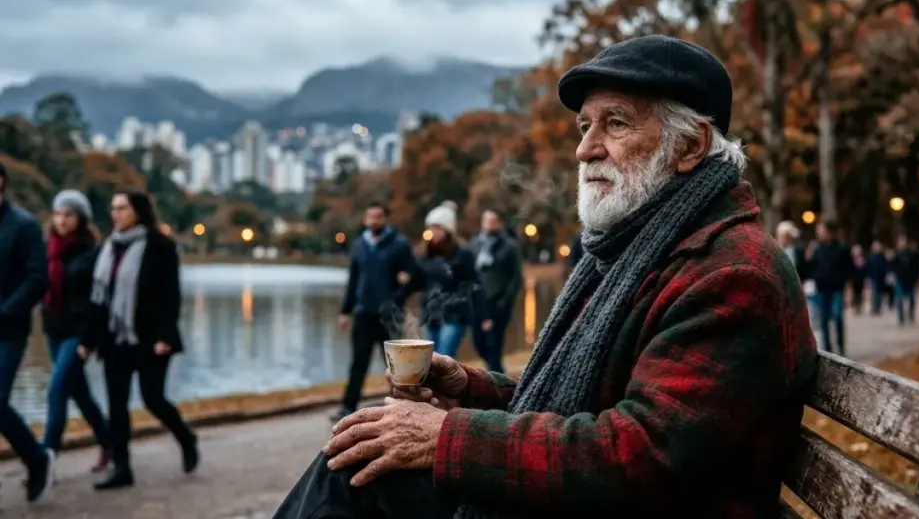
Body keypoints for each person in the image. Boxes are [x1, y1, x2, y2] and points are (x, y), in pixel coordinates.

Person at [274, 35, 817, 518]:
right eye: (585, 126)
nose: (584, 149)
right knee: (361, 456)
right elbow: (582, 404)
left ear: (692, 147)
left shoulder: (733, 274)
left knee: (354, 474)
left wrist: (446, 436)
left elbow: (641, 454)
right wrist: (471, 388)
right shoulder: (643, 252)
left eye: (616, 123)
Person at [80, 190, 198, 490]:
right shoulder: (108, 248)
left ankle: (186, 437)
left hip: (150, 339)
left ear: (138, 211)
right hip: (115, 340)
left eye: (121, 208)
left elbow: (171, 296)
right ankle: (122, 469)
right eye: (113, 208)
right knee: (116, 406)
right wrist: (88, 341)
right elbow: (99, 300)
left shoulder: (160, 246)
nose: (115, 214)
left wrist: (165, 337)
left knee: (153, 399)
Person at [41, 190, 112, 472]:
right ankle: (109, 442)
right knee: (79, 392)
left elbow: (99, 299)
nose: (61, 219)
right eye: (58, 213)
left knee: (56, 389)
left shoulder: (93, 253)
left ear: (81, 219)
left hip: (78, 332)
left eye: (68, 214)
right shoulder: (48, 249)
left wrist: (90, 339)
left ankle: (46, 458)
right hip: (53, 328)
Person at [333, 202, 420, 421]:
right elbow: (353, 280)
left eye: (378, 217)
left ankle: (405, 406)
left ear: (385, 219)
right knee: (358, 362)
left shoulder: (398, 245)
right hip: (363, 312)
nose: (374, 221)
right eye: (370, 217)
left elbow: (415, 277)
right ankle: (347, 406)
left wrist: (397, 297)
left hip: (388, 315)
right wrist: (345, 311)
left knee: (395, 364)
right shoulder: (359, 244)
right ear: (365, 219)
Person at [0, 159, 56, 502]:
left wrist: (5, 311)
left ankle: (37, 459)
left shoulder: (23, 225)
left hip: (8, 328)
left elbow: (38, 280)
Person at [417, 203, 489, 357]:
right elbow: (418, 282)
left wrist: (484, 315)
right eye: (431, 227)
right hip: (431, 314)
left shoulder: (462, 255)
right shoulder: (424, 256)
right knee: (429, 360)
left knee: (444, 355)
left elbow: (475, 283)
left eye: (438, 228)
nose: (433, 232)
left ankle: (451, 380)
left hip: (454, 314)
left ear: (447, 230)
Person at [466, 210, 521, 372]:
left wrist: (506, 301)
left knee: (494, 343)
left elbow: (516, 277)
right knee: (478, 341)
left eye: (492, 220)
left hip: (498, 302)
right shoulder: (475, 244)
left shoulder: (509, 246)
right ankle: (498, 374)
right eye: (486, 220)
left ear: (499, 223)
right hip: (477, 301)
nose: (489, 224)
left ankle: (496, 379)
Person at [805, 220, 853, 356]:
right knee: (824, 319)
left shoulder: (842, 248)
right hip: (821, 290)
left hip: (837, 289)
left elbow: (849, 272)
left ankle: (841, 347)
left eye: (822, 230)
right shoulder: (817, 249)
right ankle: (828, 347)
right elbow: (810, 268)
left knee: (837, 318)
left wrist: (848, 292)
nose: (819, 233)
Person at [890, 235, 919, 325]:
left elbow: (916, 267)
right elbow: (892, 266)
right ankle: (901, 318)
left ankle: (911, 313)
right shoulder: (895, 255)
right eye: (900, 242)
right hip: (899, 279)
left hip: (910, 280)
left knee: (911, 298)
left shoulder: (911, 254)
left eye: (903, 242)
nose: (902, 244)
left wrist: (917, 278)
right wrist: (892, 275)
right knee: (899, 298)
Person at [866, 241, 888, 315]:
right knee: (874, 293)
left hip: (881, 278)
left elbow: (885, 267)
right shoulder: (870, 257)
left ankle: (878, 307)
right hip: (873, 277)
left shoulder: (882, 257)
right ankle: (874, 307)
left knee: (880, 294)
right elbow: (868, 267)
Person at [850, 244, 867, 314]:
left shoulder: (862, 260)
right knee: (854, 293)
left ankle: (859, 306)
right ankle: (855, 306)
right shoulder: (851, 261)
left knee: (860, 293)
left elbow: (865, 271)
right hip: (854, 279)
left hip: (861, 279)